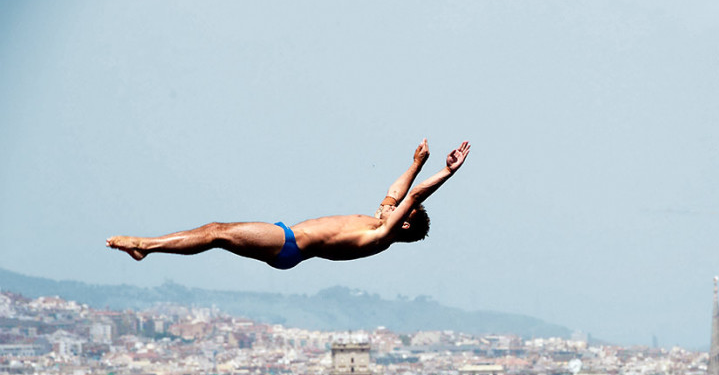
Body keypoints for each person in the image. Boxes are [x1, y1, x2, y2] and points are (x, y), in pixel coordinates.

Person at [106, 139, 470, 269]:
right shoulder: (377, 221)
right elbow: (397, 192)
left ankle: (145, 246)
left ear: (405, 222)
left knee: (216, 233)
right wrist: (416, 162)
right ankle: (147, 247)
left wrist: (447, 171)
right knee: (214, 231)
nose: (389, 206)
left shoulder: (381, 236)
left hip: (290, 245)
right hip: (286, 236)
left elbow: (414, 196)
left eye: (399, 210)